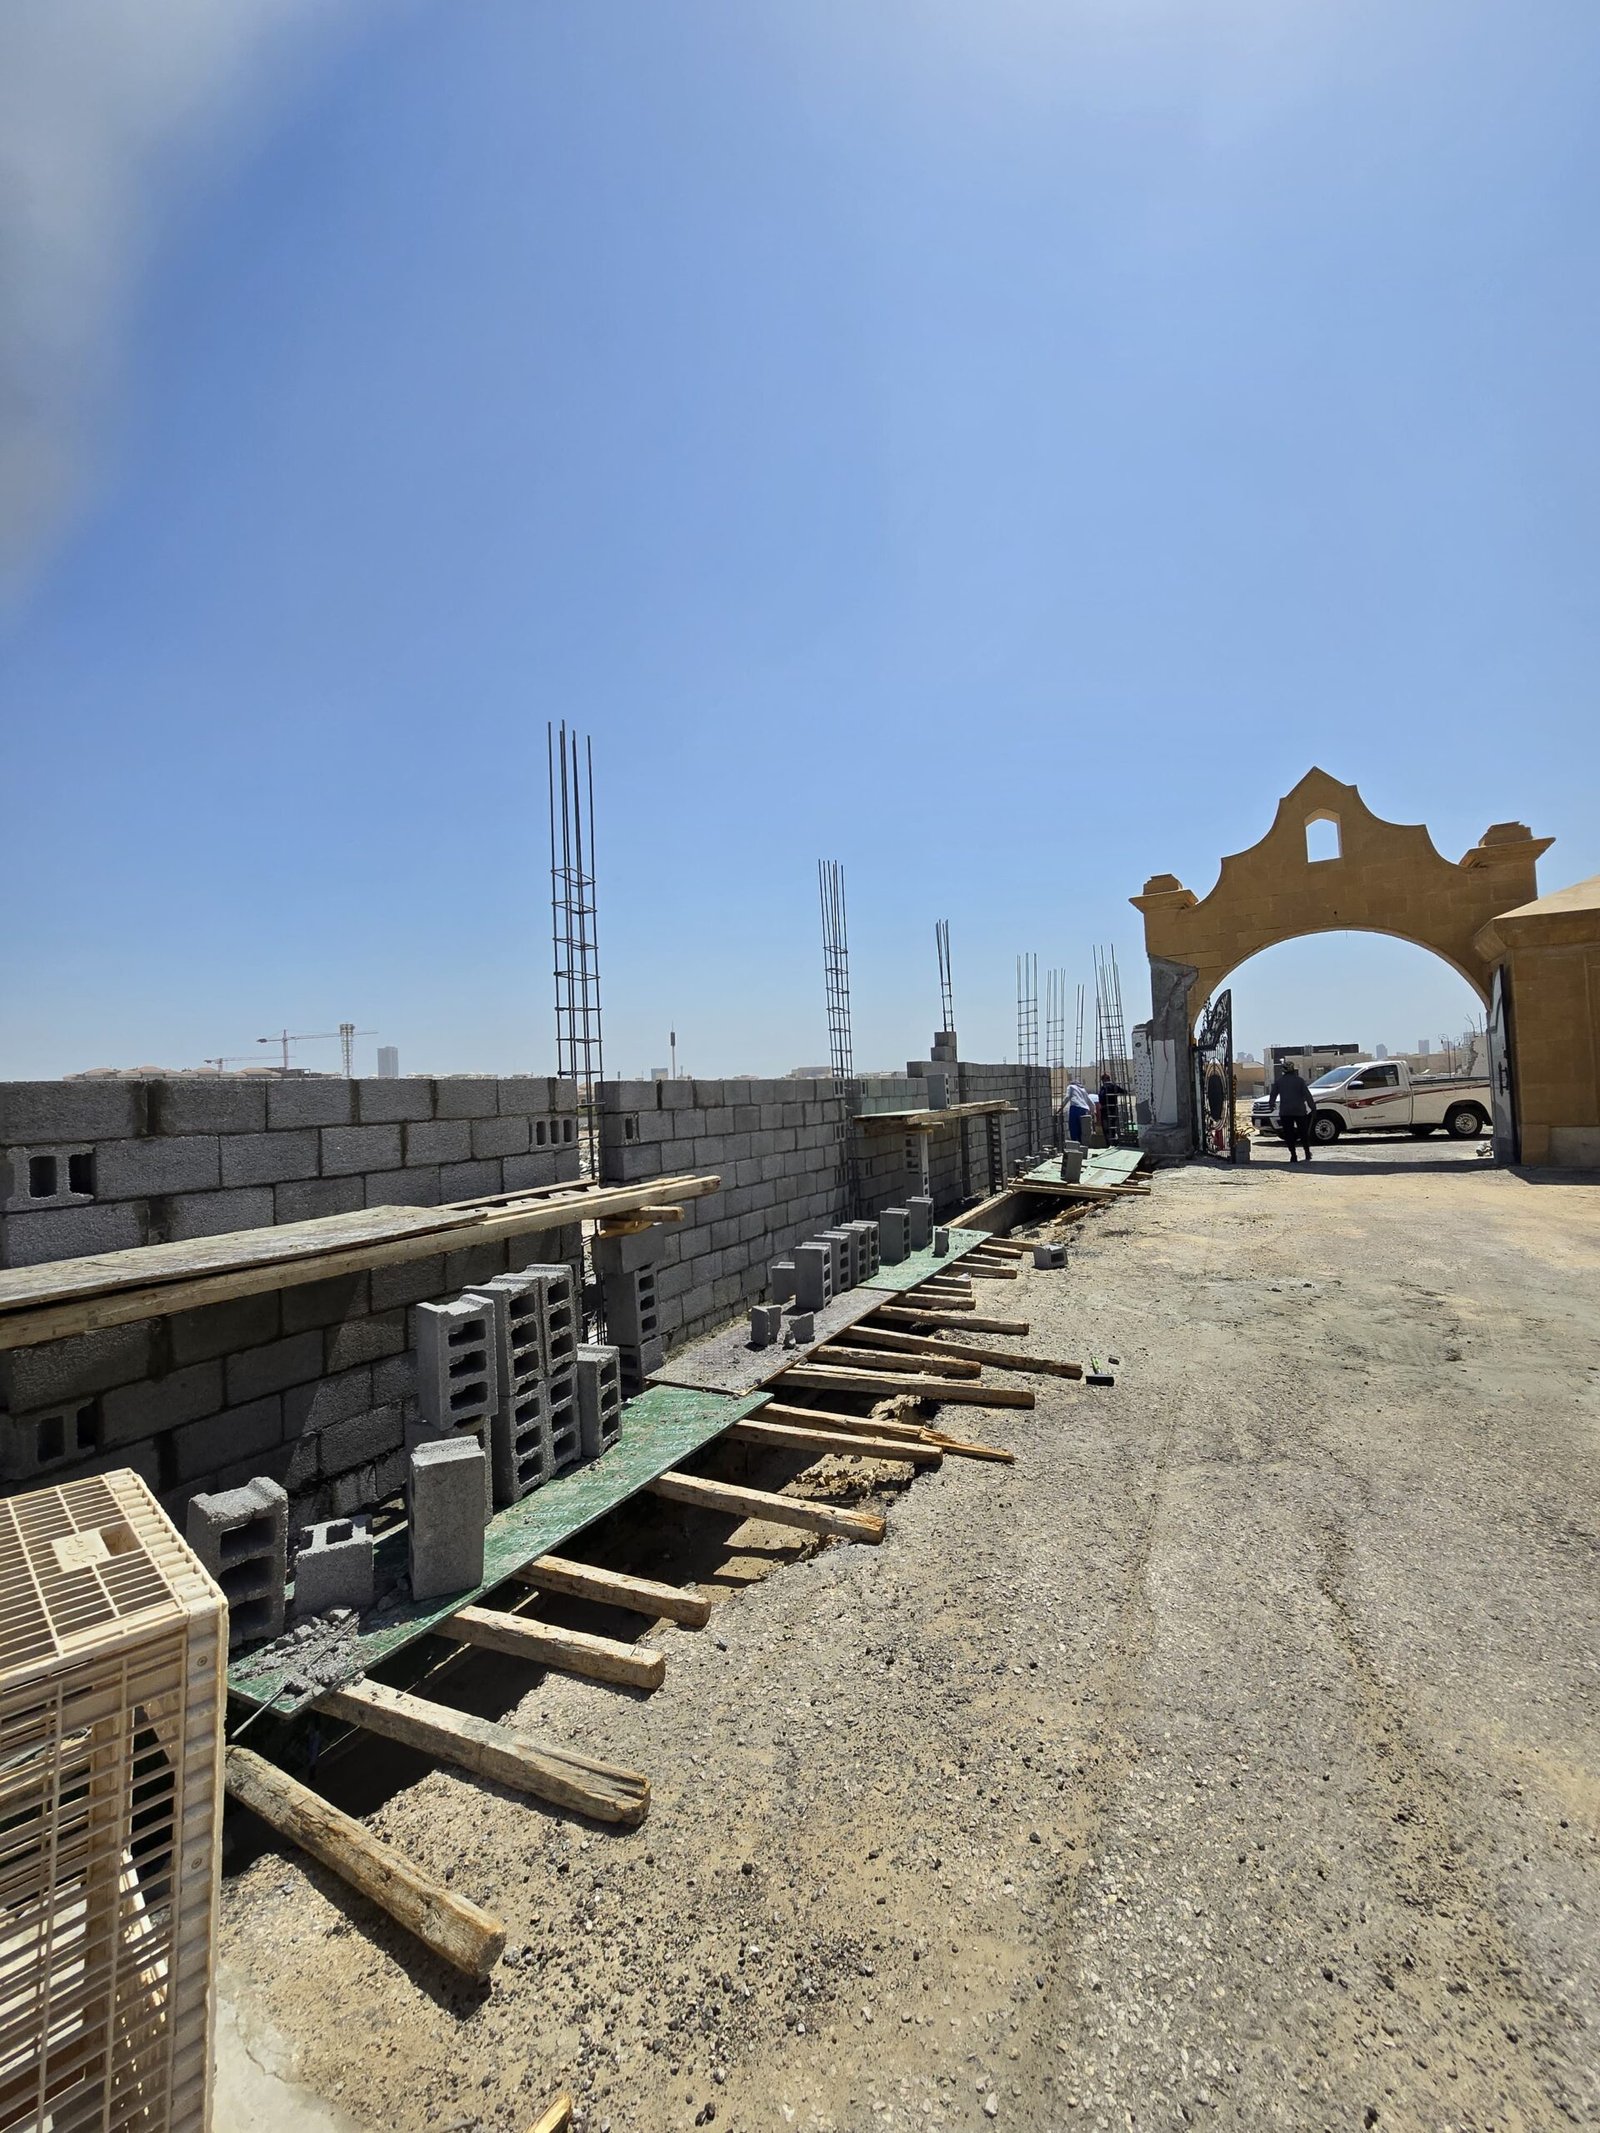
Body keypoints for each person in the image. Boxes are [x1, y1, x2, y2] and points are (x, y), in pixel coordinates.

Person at [1269, 1059, 1318, 1162]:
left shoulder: (1279, 1082)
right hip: (1299, 1111)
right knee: (1303, 1132)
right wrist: (1313, 1108)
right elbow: (1308, 1095)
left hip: (1285, 1111)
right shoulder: (1299, 1081)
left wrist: (1271, 1105)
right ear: (1293, 1070)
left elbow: (1273, 1095)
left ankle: (1293, 1155)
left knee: (1289, 1134)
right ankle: (1307, 1153)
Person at [1098, 1073, 1128, 1147]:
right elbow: (1124, 1091)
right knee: (1113, 1126)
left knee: (1106, 1128)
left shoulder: (1103, 1088)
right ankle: (1113, 1142)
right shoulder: (1114, 1086)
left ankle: (1108, 1143)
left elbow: (1101, 1098)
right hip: (1113, 1109)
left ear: (1103, 1080)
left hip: (1105, 1109)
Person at [1064, 1079, 1093, 1145]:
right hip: (1084, 1109)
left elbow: (1067, 1097)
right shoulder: (1083, 1089)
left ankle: (1075, 1145)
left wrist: (1061, 1108)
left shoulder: (1070, 1087)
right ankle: (1083, 1145)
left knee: (1073, 1128)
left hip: (1075, 1108)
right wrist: (1093, 1113)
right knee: (1082, 1129)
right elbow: (1091, 1102)